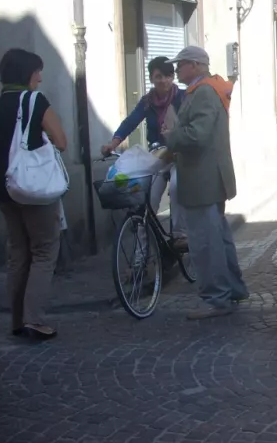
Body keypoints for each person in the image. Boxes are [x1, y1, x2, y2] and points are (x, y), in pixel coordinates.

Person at [163, 46, 249, 320]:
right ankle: (232, 289)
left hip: (202, 179)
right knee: (218, 238)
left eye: (181, 65)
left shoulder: (203, 93)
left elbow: (197, 135)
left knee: (205, 242)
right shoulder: (210, 90)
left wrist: (171, 135)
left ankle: (216, 298)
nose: (177, 70)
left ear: (196, 66)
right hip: (210, 178)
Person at [0, 48, 68, 340]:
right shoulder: (36, 100)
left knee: (18, 252)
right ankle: (34, 320)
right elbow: (61, 141)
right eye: (37, 70)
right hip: (33, 186)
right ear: (27, 73)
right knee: (44, 250)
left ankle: (16, 321)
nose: (40, 76)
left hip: (4, 184)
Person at [101, 56, 187, 249]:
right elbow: (130, 123)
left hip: (180, 155)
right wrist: (113, 144)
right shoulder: (147, 102)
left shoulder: (183, 98)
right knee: (146, 203)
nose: (163, 80)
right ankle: (142, 259)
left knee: (176, 187)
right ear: (151, 78)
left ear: (173, 77)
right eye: (158, 76)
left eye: (167, 75)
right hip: (158, 156)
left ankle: (180, 235)